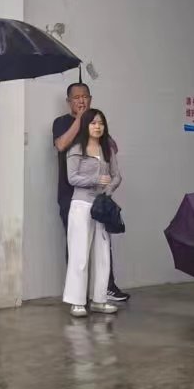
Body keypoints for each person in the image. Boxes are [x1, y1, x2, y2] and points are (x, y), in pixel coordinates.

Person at [54, 83, 127, 304]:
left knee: (103, 247)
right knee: (77, 247)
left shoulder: (97, 123)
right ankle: (78, 297)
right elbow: (61, 145)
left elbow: (111, 150)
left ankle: (105, 291)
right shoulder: (62, 122)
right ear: (69, 101)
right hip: (71, 195)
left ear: (91, 99)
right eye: (76, 97)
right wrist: (80, 120)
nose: (81, 100)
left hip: (99, 198)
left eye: (85, 96)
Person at [64, 107, 121, 318]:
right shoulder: (76, 149)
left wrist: (108, 189)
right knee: (79, 254)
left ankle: (99, 299)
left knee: (102, 254)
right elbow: (72, 178)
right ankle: (77, 301)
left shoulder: (107, 150)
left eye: (101, 123)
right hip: (81, 204)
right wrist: (95, 180)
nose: (98, 127)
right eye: (93, 123)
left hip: (101, 206)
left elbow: (117, 175)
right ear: (86, 125)